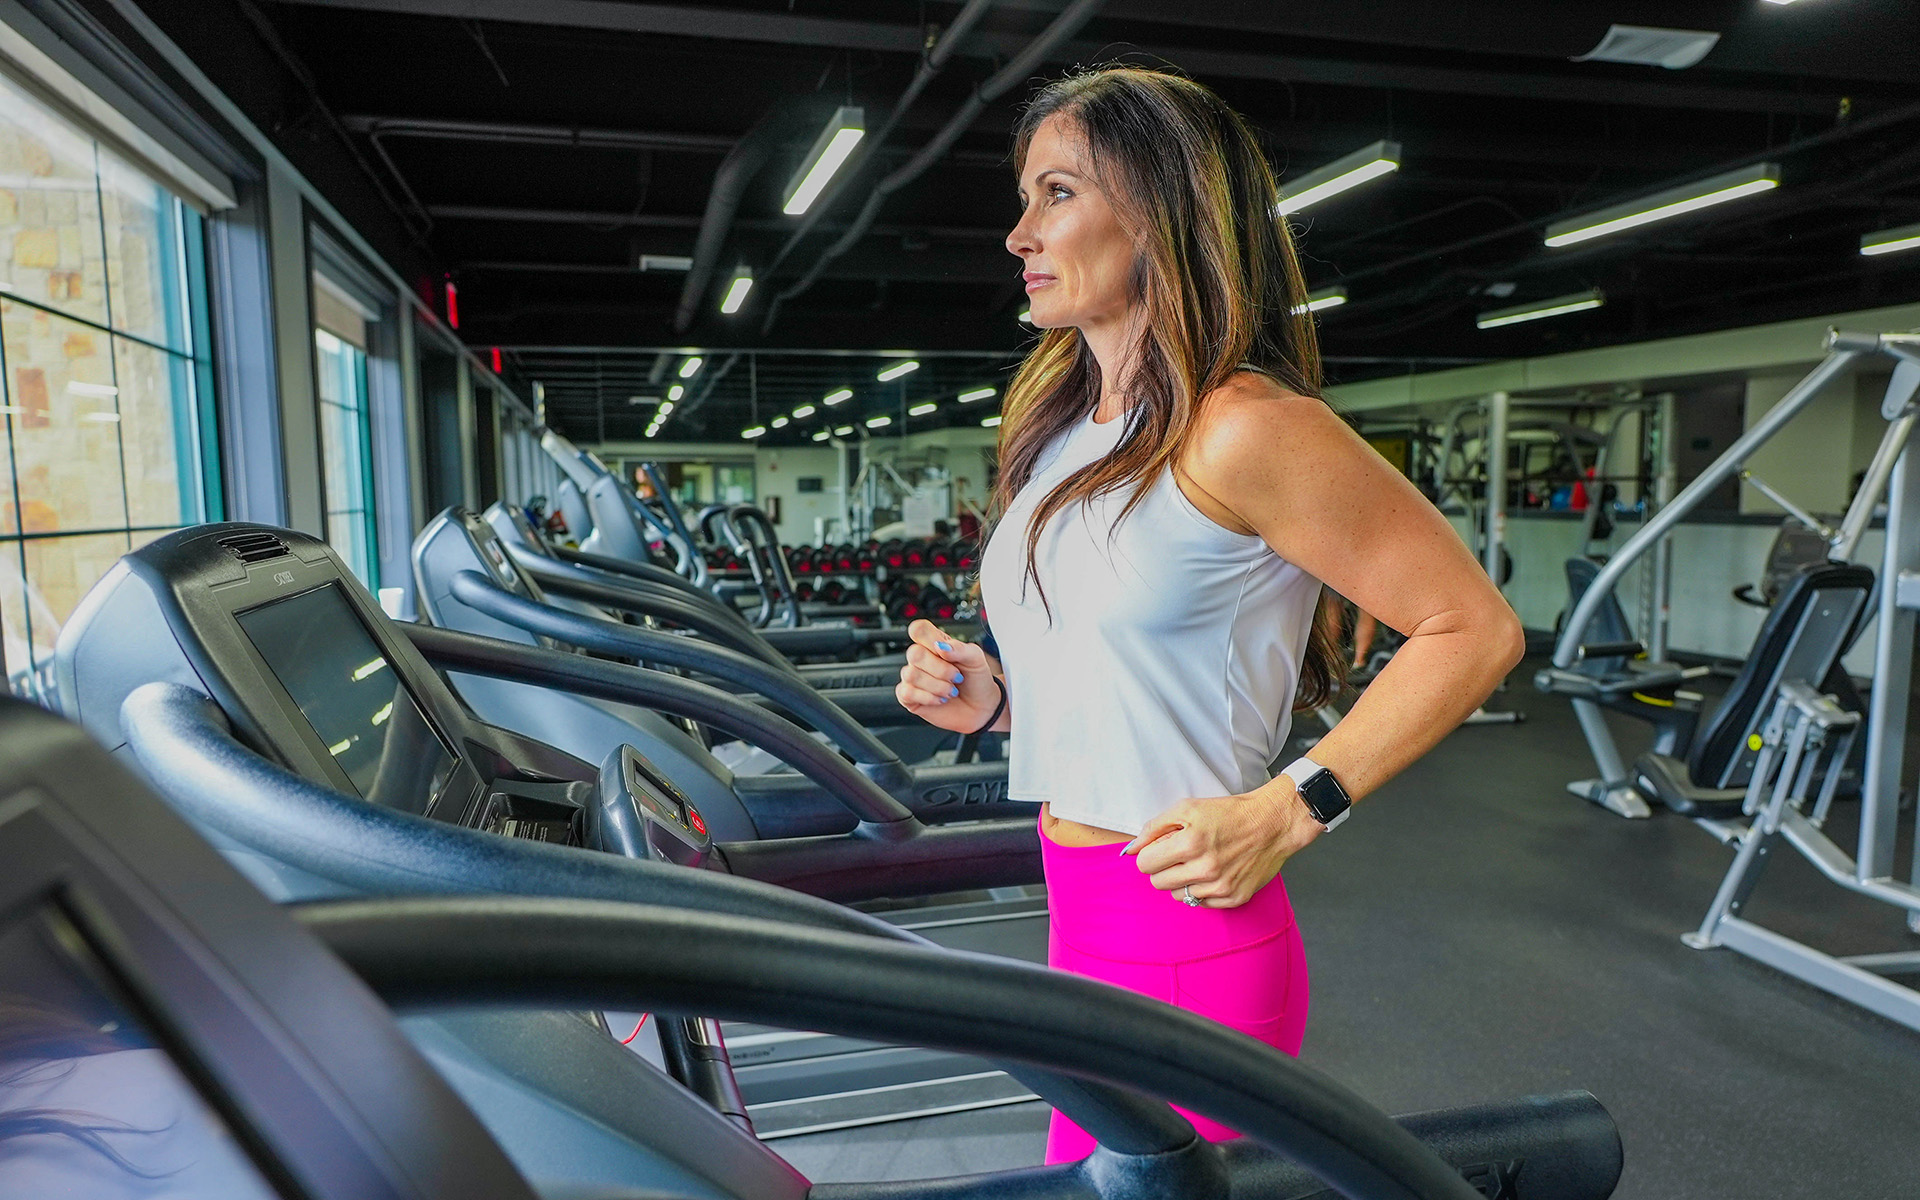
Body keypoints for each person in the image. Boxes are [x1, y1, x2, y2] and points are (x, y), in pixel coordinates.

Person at [892, 66, 1523, 1163]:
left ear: (1159, 211)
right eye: (1025, 198)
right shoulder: (1061, 432)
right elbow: (1131, 674)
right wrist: (997, 702)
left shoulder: (1245, 426)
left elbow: (1474, 628)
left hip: (1189, 934)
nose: (1018, 234)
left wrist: (1293, 808)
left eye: (1056, 194)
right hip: (1076, 908)